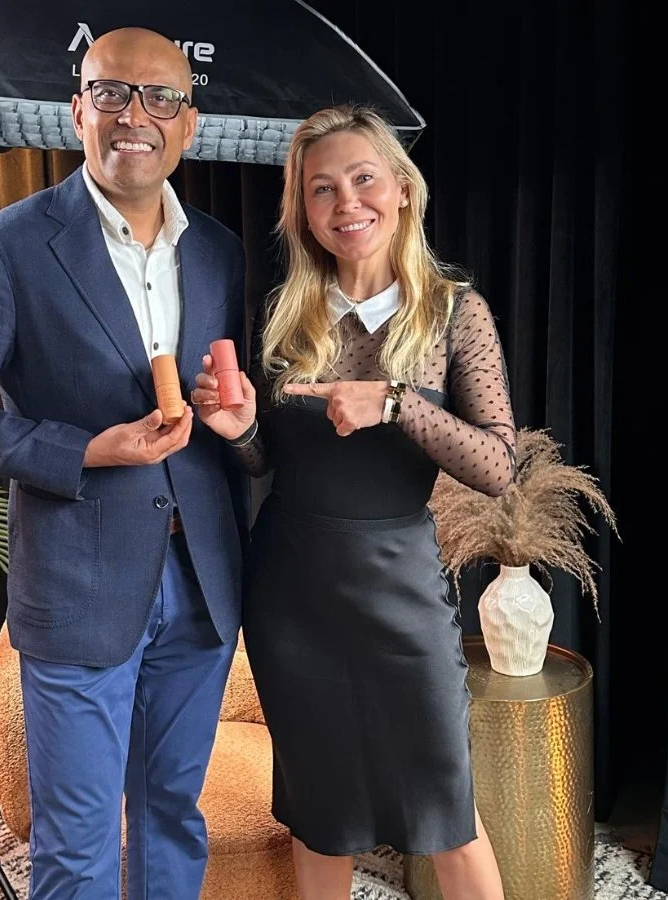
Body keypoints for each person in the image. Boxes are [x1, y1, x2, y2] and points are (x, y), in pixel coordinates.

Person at [0, 27, 246, 900]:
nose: (137, 116)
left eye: (161, 97)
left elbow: (245, 410)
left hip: (202, 582)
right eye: (113, 93)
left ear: (190, 123)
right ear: (77, 110)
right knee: (77, 845)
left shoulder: (221, 251)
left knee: (173, 812)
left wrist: (234, 421)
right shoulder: (5, 247)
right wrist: (85, 448)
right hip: (78, 582)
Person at [192, 105, 514, 900]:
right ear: (302, 211)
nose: (346, 205)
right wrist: (236, 431)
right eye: (321, 189)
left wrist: (398, 402)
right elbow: (269, 459)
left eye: (363, 179)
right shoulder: (283, 316)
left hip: (401, 589)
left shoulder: (452, 312)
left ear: (403, 190)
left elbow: (500, 465)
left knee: (449, 813)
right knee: (320, 814)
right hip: (292, 594)